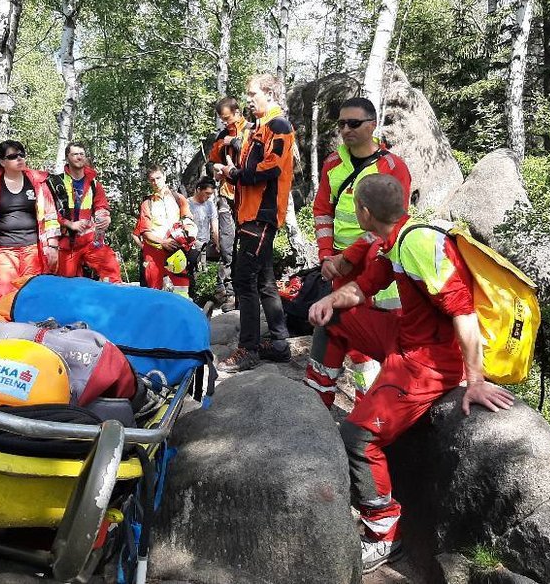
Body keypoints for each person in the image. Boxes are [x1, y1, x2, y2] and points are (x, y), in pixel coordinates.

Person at [306, 174, 515, 573]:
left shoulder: (419, 244)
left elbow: (464, 313)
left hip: (428, 361)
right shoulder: (395, 238)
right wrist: (331, 299)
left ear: (365, 213)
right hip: (403, 334)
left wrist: (475, 381)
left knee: (358, 437)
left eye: (356, 208)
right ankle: (316, 403)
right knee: (335, 318)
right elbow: (365, 287)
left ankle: (383, 534)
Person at [307, 96, 412, 403]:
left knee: (385, 336)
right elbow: (322, 211)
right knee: (346, 331)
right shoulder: (332, 163)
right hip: (338, 265)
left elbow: (392, 223)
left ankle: (376, 407)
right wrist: (326, 256)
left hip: (378, 261)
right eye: (341, 123)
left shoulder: (392, 166)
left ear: (372, 125)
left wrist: (348, 257)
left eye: (354, 123)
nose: (346, 129)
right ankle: (334, 405)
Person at [213, 74, 295, 372]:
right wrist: (230, 170)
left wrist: (233, 174)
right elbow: (250, 167)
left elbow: (270, 168)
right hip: (250, 214)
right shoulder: (260, 127)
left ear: (270, 93)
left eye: (253, 93)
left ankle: (247, 349)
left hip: (262, 214)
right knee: (264, 280)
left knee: (244, 279)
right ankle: (278, 343)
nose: (249, 99)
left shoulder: (278, 125)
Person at [0, 140, 61, 301]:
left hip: (33, 249)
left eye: (22, 154)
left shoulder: (37, 181)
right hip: (2, 250)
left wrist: (53, 246)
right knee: (3, 294)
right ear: (2, 162)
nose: (19, 158)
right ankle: (4, 327)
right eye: (13, 156)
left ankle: (33, 327)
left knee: (33, 294)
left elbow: (50, 215)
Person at [48, 143, 122, 283]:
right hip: (66, 243)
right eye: (74, 154)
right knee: (66, 285)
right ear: (67, 158)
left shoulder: (94, 184)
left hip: (90, 241)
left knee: (111, 267)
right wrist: (69, 224)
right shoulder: (56, 183)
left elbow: (101, 206)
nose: (79, 157)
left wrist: (105, 217)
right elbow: (48, 212)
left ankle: (115, 300)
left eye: (81, 153)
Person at [208, 97, 249, 310]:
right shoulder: (222, 135)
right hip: (226, 194)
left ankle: (246, 292)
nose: (225, 123)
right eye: (222, 119)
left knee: (247, 245)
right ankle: (228, 292)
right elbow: (210, 161)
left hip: (247, 195)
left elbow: (254, 155)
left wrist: (233, 142)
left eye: (227, 118)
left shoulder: (251, 129)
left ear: (237, 111)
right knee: (226, 244)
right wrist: (216, 166)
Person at [133, 164, 197, 297]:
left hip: (176, 250)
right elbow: (145, 232)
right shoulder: (147, 204)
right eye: (152, 180)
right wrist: (163, 242)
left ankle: (181, 315)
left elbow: (188, 220)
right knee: (154, 293)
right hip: (154, 252)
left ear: (164, 177)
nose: (156, 182)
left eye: (158, 178)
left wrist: (189, 233)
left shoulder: (178, 198)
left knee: (181, 290)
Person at [187, 176, 220, 302]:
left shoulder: (210, 205)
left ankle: (203, 299)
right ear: (198, 189)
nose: (208, 197)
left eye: (211, 194)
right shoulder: (188, 203)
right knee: (191, 272)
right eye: (206, 193)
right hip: (191, 244)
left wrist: (217, 242)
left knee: (203, 272)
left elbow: (214, 224)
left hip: (205, 244)